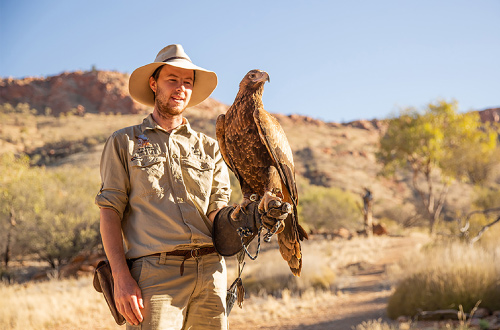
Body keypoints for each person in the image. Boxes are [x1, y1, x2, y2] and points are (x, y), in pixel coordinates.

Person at [96, 44, 286, 330]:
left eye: (187, 82)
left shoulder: (210, 147)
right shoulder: (124, 142)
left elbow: (216, 212)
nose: (180, 88)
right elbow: (109, 211)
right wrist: (121, 277)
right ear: (153, 84)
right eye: (172, 80)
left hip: (211, 273)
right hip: (154, 275)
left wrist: (248, 217)